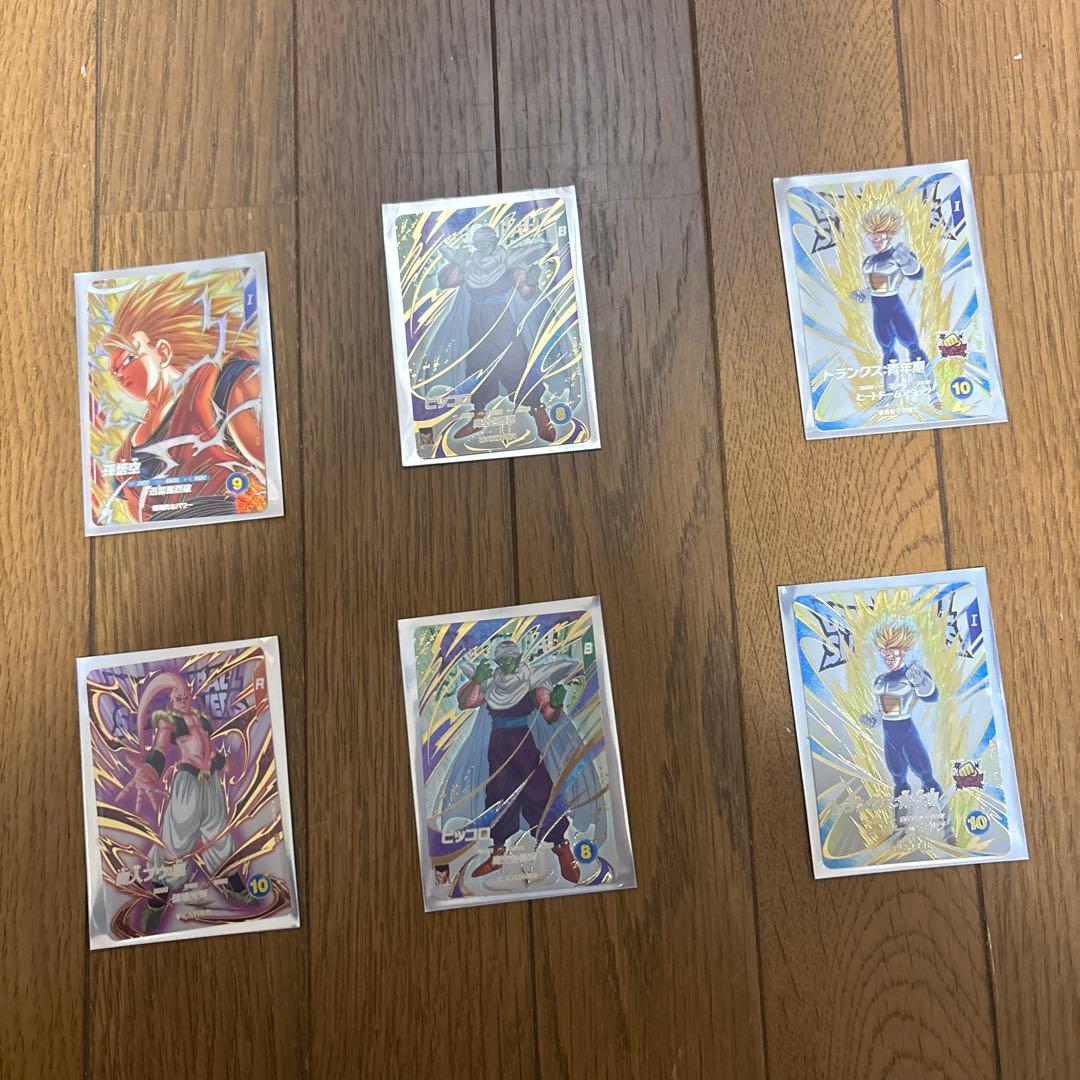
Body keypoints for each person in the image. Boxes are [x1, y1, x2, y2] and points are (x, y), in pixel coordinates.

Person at [102, 271, 265, 522]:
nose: (120, 374)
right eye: (114, 371)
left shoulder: (218, 386)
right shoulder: (125, 456)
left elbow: (269, 468)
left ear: (163, 352)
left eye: (128, 359)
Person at [123, 672, 255, 932]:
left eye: (186, 696)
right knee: (175, 841)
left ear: (190, 695)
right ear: (171, 700)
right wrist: (150, 770)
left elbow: (208, 749)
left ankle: (234, 885)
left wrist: (222, 763)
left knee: (220, 837)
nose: (183, 701)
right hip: (188, 784)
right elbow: (160, 749)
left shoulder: (201, 719)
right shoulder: (169, 721)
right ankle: (158, 899)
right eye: (178, 698)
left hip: (211, 784)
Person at [435, 225, 557, 442]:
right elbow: (446, 282)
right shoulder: (471, 263)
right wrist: (456, 262)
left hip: (501, 317)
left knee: (515, 361)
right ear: (475, 244)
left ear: (494, 241)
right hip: (477, 319)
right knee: (478, 364)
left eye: (487, 241)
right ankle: (479, 416)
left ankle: (537, 409)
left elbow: (525, 291)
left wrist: (531, 281)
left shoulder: (507, 260)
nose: (483, 245)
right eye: (479, 242)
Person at [860, 622, 955, 842]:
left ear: (902, 650)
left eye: (891, 650)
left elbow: (931, 695)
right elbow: (885, 711)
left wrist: (921, 682)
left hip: (907, 732)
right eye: (883, 650)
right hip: (890, 734)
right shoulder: (880, 681)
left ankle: (947, 828)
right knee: (899, 780)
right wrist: (873, 718)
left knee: (926, 777)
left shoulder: (912, 674)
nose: (887, 655)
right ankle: (901, 828)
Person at [849, 208, 930, 398]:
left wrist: (907, 261)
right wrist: (863, 295)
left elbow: (916, 274)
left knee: (911, 345)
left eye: (880, 239)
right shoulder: (868, 261)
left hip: (894, 307)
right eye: (873, 239)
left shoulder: (899, 255)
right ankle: (889, 391)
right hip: (879, 309)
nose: (876, 243)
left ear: (890, 236)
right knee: (887, 348)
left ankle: (929, 387)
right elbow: (874, 287)